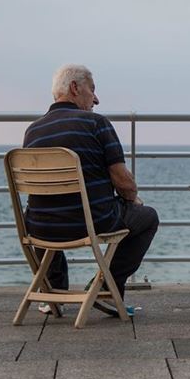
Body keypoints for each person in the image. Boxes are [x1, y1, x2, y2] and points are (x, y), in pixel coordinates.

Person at [23, 63, 158, 315]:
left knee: (48, 213)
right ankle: (107, 288)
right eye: (92, 90)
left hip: (40, 229)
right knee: (147, 217)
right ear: (75, 88)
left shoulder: (33, 131)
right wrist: (133, 200)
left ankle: (53, 292)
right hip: (91, 223)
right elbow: (124, 183)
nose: (96, 99)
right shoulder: (96, 124)